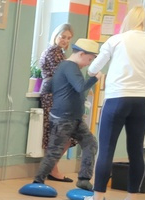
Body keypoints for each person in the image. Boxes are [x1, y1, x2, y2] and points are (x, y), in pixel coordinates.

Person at [75, 6, 145, 200]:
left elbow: (93, 68)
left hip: (117, 99)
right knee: (136, 150)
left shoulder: (116, 40)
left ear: (128, 20)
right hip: (141, 102)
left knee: (106, 149)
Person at [32, 38, 101, 191]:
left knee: (90, 143)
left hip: (73, 118)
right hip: (63, 118)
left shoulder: (68, 67)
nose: (89, 63)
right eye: (89, 59)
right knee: (55, 151)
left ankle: (83, 179)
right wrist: (95, 78)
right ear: (81, 54)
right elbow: (80, 87)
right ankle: (38, 181)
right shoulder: (70, 67)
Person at [38, 23, 76, 182]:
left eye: (68, 38)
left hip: (55, 94)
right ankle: (52, 169)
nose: (65, 40)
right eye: (63, 36)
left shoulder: (58, 52)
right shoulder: (54, 52)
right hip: (54, 96)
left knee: (63, 134)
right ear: (56, 35)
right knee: (62, 134)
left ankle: (52, 168)